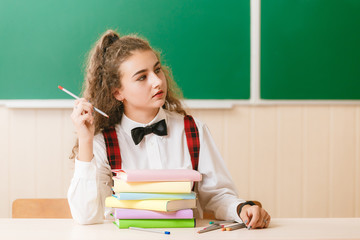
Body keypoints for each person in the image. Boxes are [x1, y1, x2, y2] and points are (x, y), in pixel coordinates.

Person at [67, 29, 271, 228]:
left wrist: (241, 208)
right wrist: (86, 141)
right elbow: (86, 216)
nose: (157, 81)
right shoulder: (104, 143)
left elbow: (217, 194)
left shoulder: (193, 130)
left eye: (157, 70)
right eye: (141, 77)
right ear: (118, 92)